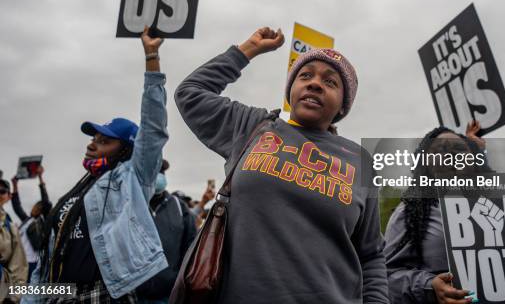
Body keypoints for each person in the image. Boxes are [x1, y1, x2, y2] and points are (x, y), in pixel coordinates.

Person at [175, 27, 389, 303]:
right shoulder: (253, 127)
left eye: (331, 82)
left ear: (343, 106)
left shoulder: (360, 161)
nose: (315, 84)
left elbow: (371, 255)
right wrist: (248, 49)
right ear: (291, 90)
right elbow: (190, 93)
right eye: (305, 75)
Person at [24, 26, 169, 304]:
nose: (92, 145)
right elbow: (46, 265)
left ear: (127, 149)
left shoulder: (132, 179)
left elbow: (153, 129)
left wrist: (152, 57)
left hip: (102, 295)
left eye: (104, 141)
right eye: (93, 139)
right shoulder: (77, 193)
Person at [383, 127, 483, 304]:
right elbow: (386, 277)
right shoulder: (411, 212)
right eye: (440, 149)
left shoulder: (503, 204)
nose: (451, 154)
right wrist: (429, 287)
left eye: (459, 149)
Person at [136, 159, 196, 304]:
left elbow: (190, 248)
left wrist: (179, 281)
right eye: (154, 172)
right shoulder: (131, 203)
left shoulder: (179, 207)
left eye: (161, 172)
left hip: (168, 295)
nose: (159, 176)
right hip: (133, 295)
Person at [11, 166, 52, 280]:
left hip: (31, 263)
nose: (34, 207)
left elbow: (46, 201)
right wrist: (14, 185)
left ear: (41, 209)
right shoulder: (27, 220)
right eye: (35, 205)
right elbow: (16, 206)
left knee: (27, 292)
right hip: (17, 262)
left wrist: (40, 177)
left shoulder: (43, 222)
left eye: (38, 206)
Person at [0, 178, 28, 303]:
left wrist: (13, 298)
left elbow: (18, 267)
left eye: (2, 191)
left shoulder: (10, 227)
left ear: (8, 196)